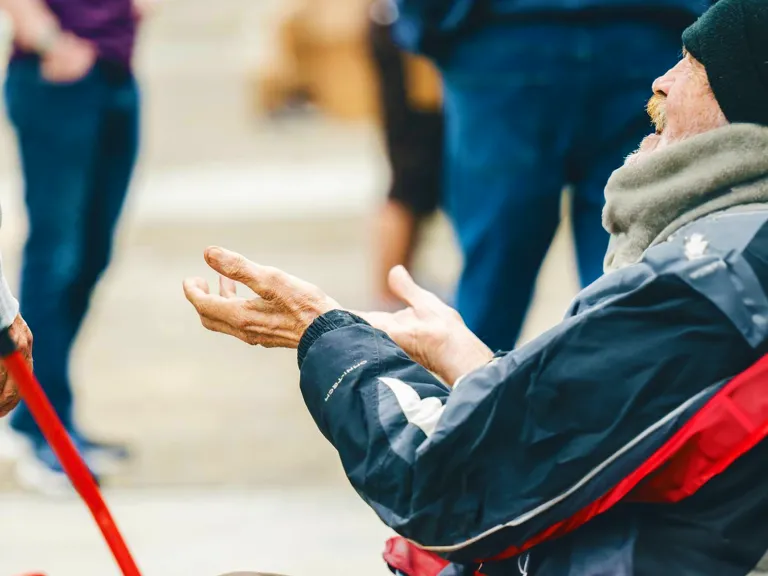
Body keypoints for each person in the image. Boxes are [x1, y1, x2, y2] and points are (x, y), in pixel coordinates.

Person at [185, 0, 768, 573]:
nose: (660, 83)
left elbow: (448, 485)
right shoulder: (736, 263)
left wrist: (329, 334)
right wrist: (469, 360)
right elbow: (618, 409)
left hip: (503, 40)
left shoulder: (705, 284)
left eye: (692, 66)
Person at [387, 0, 713, 352]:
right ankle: (625, 399)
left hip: (501, 37)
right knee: (627, 270)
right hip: (646, 31)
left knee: (491, 278)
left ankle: (459, 400)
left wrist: (430, 26)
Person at [0, 0, 152, 493]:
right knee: (55, 255)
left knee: (92, 255)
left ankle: (41, 418)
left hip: (114, 67)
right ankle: (44, 428)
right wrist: (46, 38)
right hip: (56, 73)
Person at [369, 0, 444, 308]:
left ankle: (400, 282)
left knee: (415, 180)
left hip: (404, 26)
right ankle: (391, 291)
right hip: (407, 32)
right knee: (410, 178)